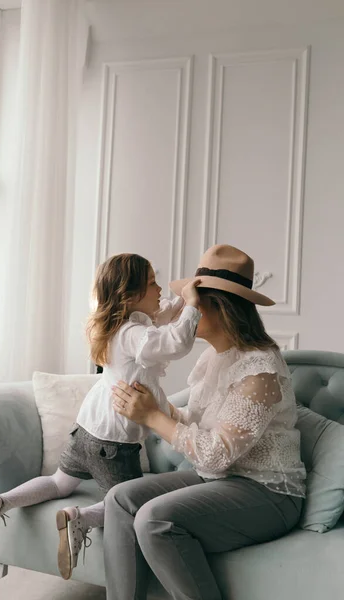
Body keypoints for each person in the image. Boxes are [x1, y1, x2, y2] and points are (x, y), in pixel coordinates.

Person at [0, 253, 201, 580]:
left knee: (59, 482)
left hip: (85, 429)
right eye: (152, 283)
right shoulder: (133, 335)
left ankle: (0, 502)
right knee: (126, 504)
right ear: (129, 296)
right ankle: (79, 518)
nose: (159, 288)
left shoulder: (120, 326)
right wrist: (194, 308)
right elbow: (176, 342)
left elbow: (160, 319)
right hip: (113, 442)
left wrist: (181, 302)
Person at [108, 244, 307, 600]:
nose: (185, 309)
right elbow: (195, 424)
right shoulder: (214, 359)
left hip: (269, 492)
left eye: (193, 302)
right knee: (120, 500)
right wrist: (157, 406)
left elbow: (215, 454)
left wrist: (152, 417)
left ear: (219, 307)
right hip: (220, 479)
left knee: (155, 520)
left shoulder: (260, 367)